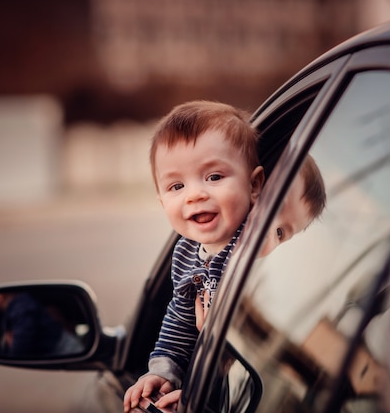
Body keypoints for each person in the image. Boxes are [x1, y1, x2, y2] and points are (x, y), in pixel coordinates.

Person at [123, 100, 326, 412]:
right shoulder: (185, 252)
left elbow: (262, 342)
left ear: (253, 186)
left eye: (214, 177)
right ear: (162, 201)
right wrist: (164, 371)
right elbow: (180, 318)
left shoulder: (256, 256)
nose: (195, 194)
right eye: (177, 186)